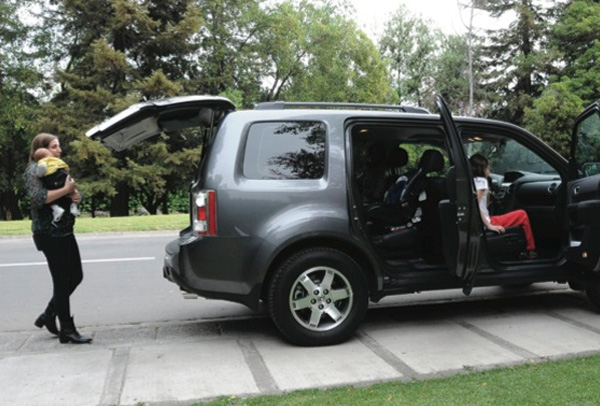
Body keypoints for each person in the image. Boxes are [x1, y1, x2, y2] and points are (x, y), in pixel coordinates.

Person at [24, 133, 92, 344]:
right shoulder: (34, 170)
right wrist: (66, 189)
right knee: (61, 282)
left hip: (65, 231)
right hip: (49, 234)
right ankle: (67, 330)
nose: (59, 150)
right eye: (54, 146)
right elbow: (38, 199)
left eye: (58, 146)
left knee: (76, 276)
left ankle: (48, 315)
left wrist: (76, 196)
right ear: (42, 148)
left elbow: (68, 192)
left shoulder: (58, 167)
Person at [469, 153, 538, 259]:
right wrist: (488, 225)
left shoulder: (471, 181)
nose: (489, 171)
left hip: (479, 222)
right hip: (486, 221)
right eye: (488, 168)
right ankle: (530, 249)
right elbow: (476, 206)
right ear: (481, 169)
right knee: (522, 214)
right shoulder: (482, 181)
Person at [33, 147, 80, 224]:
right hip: (64, 175)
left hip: (53, 178)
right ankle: (74, 206)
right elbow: (66, 167)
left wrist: (39, 175)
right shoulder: (57, 160)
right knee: (73, 190)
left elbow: (40, 172)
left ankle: (56, 209)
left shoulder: (42, 161)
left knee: (49, 196)